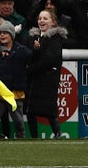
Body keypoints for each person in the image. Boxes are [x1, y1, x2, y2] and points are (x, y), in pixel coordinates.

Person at [25, 9, 65, 138]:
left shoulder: (55, 37)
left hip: (48, 79)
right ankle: (34, 137)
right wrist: (36, 50)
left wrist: (31, 69)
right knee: (30, 110)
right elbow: (31, 56)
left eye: (45, 18)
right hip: (34, 80)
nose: (41, 21)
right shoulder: (33, 37)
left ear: (53, 22)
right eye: (40, 18)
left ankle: (57, 133)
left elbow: (50, 58)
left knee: (49, 110)